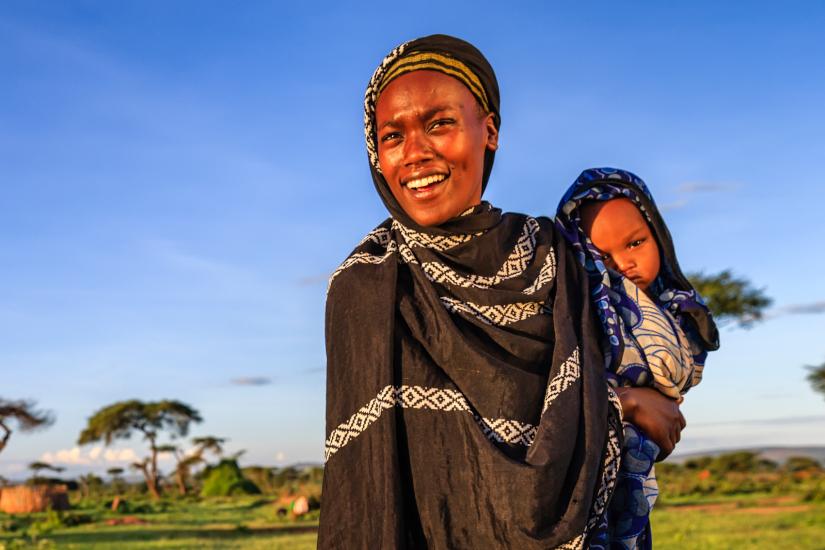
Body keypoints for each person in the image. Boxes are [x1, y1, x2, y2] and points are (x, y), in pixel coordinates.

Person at [320, 35, 684, 549]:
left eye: (439, 123)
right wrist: (619, 405)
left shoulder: (557, 256)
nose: (415, 154)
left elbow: (643, 348)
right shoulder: (367, 286)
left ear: (488, 130)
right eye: (392, 136)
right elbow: (384, 482)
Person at [555, 168, 720, 549]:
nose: (624, 265)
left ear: (658, 234)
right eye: (603, 257)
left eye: (635, 243)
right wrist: (625, 403)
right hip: (576, 492)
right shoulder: (574, 315)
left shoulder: (678, 314)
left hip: (635, 482)